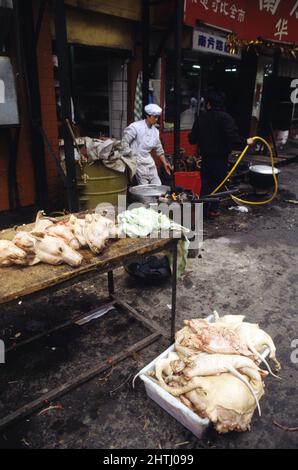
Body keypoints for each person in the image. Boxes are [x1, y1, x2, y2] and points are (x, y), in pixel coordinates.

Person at [188, 91, 254, 218]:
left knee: (205, 183)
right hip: (220, 158)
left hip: (206, 158)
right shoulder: (226, 118)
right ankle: (213, 210)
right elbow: (233, 138)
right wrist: (246, 141)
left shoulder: (201, 118)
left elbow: (192, 139)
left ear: (208, 104)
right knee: (218, 184)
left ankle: (203, 211)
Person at [122, 104, 171, 185]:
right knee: (144, 188)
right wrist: (131, 157)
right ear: (148, 116)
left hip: (149, 161)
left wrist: (165, 164)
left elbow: (159, 149)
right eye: (154, 117)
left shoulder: (155, 131)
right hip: (138, 162)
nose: (156, 119)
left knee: (157, 185)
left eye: (157, 117)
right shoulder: (135, 127)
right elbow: (124, 143)